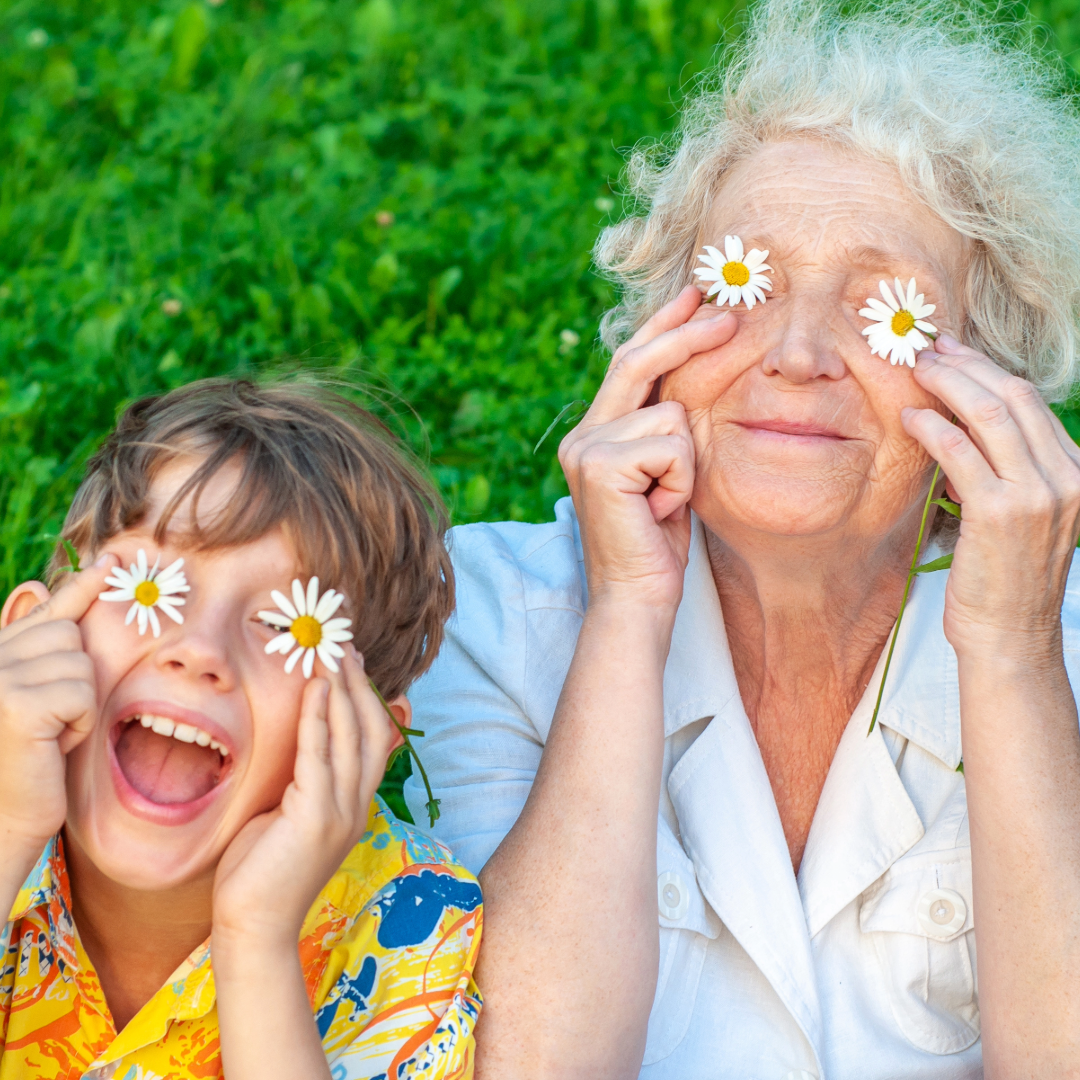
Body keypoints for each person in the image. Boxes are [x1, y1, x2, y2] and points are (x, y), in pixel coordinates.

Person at [404, 2, 1080, 1077]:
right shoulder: (487, 619)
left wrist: (1011, 654)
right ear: (657, 336)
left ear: (992, 372)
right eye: (740, 282)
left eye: (886, 308)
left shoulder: (1063, 644)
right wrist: (627, 614)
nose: (799, 352)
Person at [0, 380, 482, 1080]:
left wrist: (256, 942)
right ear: (31, 635)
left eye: (289, 628)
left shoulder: (413, 929)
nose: (201, 648)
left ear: (367, 737)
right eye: (149, 584)